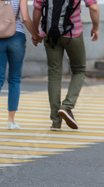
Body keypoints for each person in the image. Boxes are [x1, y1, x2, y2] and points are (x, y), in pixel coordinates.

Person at [32, 0, 100, 131]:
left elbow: (37, 9)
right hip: (73, 34)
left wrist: (36, 32)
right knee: (79, 70)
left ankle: (55, 122)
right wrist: (95, 28)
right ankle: (67, 106)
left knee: (54, 74)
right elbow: (94, 8)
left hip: (50, 35)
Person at [0, 0, 42, 130]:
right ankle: (11, 121)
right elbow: (25, 18)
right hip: (16, 35)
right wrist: (35, 35)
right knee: (14, 79)